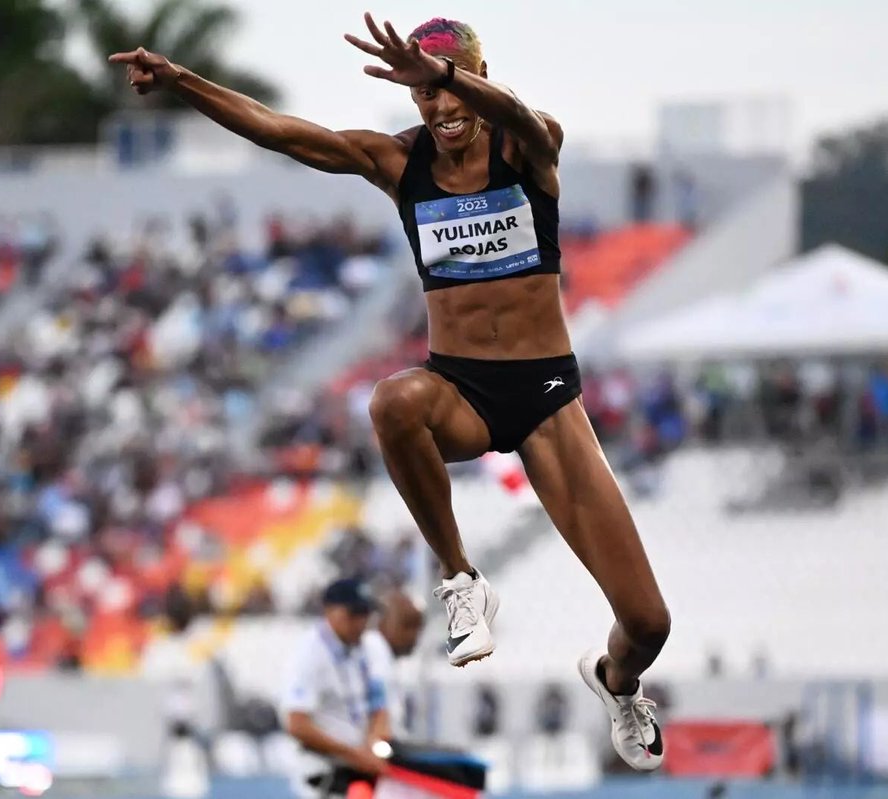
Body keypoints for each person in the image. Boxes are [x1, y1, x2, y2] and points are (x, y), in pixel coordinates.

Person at [111, 11, 670, 771]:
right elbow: (279, 131)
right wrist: (181, 81)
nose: (441, 112)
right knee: (392, 400)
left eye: (451, 92)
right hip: (462, 388)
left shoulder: (529, 143)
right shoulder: (399, 164)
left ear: (476, 79)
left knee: (647, 621)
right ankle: (460, 577)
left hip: (544, 394)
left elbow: (520, 115)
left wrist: (448, 75)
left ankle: (617, 681)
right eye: (424, 98)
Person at [280, 578, 390, 796]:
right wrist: (354, 755)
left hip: (361, 768)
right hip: (323, 773)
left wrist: (372, 744)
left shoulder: (368, 647)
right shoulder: (308, 654)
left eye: (365, 614)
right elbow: (297, 724)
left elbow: (379, 705)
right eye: (354, 613)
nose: (360, 622)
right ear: (330, 611)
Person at [362, 589, 425, 738]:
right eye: (407, 625)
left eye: (418, 628)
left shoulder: (388, 657)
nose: (413, 635)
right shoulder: (374, 649)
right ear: (382, 621)